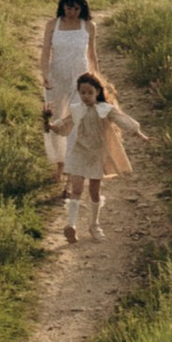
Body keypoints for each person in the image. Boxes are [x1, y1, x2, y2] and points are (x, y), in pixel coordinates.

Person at [52, 69, 146, 245]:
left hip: (97, 154)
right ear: (79, 92)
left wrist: (139, 133)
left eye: (90, 92)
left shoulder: (105, 110)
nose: (86, 96)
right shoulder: (76, 110)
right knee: (77, 189)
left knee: (94, 191)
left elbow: (123, 120)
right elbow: (64, 125)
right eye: (83, 93)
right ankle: (70, 225)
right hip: (79, 152)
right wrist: (50, 124)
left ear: (97, 92)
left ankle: (94, 225)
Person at [40, 0, 96, 205]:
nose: (71, 12)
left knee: (75, 126)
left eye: (75, 8)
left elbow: (92, 56)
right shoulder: (52, 25)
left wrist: (97, 82)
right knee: (55, 123)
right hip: (57, 79)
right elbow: (45, 53)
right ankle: (60, 164)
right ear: (61, 6)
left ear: (82, 7)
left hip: (80, 81)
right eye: (67, 7)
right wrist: (45, 75)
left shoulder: (88, 26)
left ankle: (71, 179)